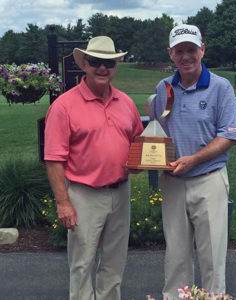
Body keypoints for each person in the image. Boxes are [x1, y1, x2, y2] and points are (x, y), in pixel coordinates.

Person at [44, 36, 143, 300]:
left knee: (114, 265)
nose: (102, 68)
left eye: (108, 63)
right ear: (85, 64)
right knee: (82, 265)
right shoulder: (63, 106)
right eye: (96, 62)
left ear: (115, 66)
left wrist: (140, 162)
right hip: (83, 195)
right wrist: (63, 203)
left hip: (121, 193)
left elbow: (138, 142)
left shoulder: (126, 103)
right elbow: (54, 159)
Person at [152, 24, 236, 299]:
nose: (186, 56)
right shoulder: (163, 87)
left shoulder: (220, 87)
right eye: (180, 51)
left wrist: (194, 159)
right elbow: (157, 132)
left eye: (192, 49)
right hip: (173, 182)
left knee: (212, 255)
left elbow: (228, 136)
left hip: (209, 179)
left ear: (202, 50)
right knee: (176, 255)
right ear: (171, 54)